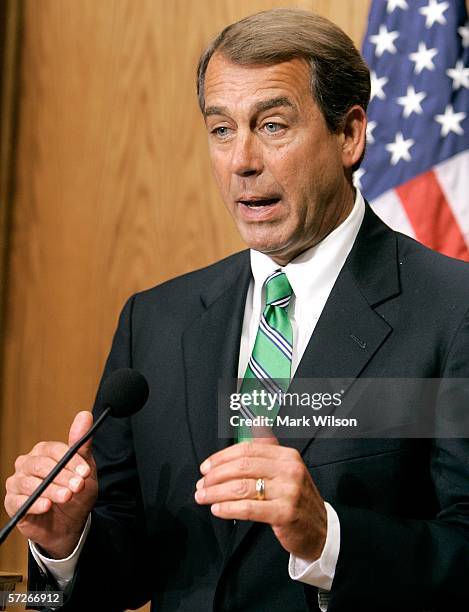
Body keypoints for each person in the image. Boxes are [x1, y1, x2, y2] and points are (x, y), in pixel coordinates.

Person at [4, 8, 469, 612]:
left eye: (272, 125)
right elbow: (132, 561)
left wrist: (328, 538)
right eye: (221, 129)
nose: (241, 161)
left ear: (350, 135)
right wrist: (66, 544)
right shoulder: (157, 322)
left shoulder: (451, 311)